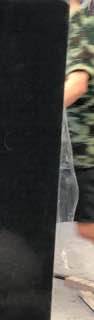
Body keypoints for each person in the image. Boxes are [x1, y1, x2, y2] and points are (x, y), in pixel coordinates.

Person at [65, 0, 94, 239]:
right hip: (82, 154)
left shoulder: (79, 22)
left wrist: (36, 116)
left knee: (85, 232)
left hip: (84, 155)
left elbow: (77, 85)